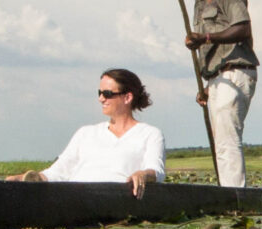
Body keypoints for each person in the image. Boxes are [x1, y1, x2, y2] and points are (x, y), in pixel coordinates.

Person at [9, 69, 166, 195]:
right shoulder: (86, 133)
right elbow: (59, 171)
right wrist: (31, 178)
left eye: (107, 94)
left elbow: (156, 171)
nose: (101, 99)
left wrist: (143, 174)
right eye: (99, 93)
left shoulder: (150, 134)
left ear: (127, 97)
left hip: (116, 198)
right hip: (74, 197)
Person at [185, 0, 257, 187]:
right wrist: (209, 85)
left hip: (234, 71)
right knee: (221, 142)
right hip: (218, 77)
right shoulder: (201, 0)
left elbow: (243, 28)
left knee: (227, 141)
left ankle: (235, 196)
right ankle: (228, 191)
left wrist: (205, 38)